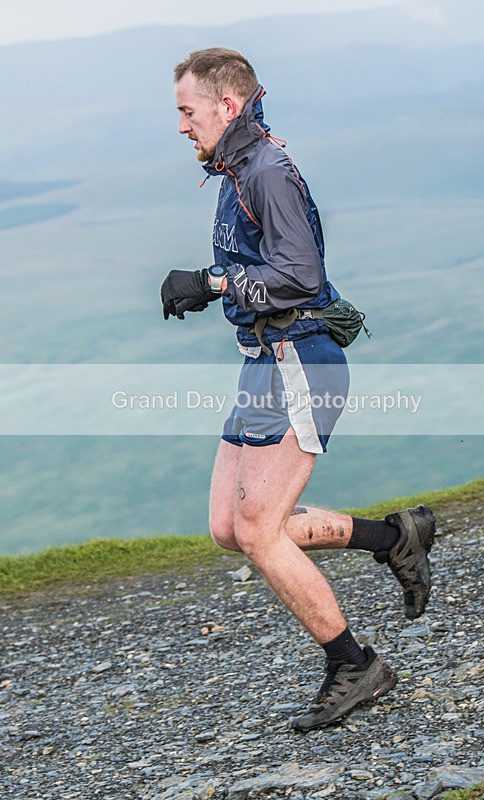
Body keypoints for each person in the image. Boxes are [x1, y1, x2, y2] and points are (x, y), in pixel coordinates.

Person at [160, 47, 436, 732]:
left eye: (186, 111)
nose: (180, 125)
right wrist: (211, 288)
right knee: (230, 526)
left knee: (259, 528)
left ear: (227, 107)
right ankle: (391, 537)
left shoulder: (267, 171)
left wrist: (213, 282)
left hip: (300, 360)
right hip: (263, 358)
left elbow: (300, 277)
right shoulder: (232, 169)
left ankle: (353, 664)